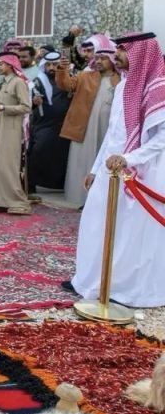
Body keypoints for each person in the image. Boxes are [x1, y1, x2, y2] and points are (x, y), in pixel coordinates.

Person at [69, 32, 165, 307]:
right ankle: (91, 281)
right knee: (96, 223)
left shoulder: (157, 87)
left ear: (140, 54)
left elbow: (161, 138)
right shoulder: (123, 85)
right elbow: (112, 134)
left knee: (131, 232)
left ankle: (126, 288)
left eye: (123, 50)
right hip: (111, 169)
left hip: (142, 172)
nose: (117, 55)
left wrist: (130, 158)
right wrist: (95, 168)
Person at [56, 35, 121, 207]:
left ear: (112, 59)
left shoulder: (120, 79)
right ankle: (81, 198)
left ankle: (103, 200)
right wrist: (62, 69)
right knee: (83, 160)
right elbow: (66, 85)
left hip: (108, 128)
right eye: (97, 58)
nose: (98, 61)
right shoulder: (85, 76)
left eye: (103, 58)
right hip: (84, 126)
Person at [0, 53, 33, 215]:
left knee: (7, 166)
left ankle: (19, 202)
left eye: (1, 64)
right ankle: (0, 202)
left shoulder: (18, 83)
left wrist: (3, 108)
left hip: (10, 130)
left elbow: (26, 107)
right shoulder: (4, 83)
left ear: (10, 65)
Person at [28, 52, 71, 193]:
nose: (51, 68)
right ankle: (31, 184)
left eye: (55, 64)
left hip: (64, 124)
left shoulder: (68, 79)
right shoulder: (38, 81)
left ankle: (60, 185)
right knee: (39, 150)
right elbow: (29, 99)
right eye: (48, 65)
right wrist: (34, 101)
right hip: (44, 124)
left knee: (61, 155)